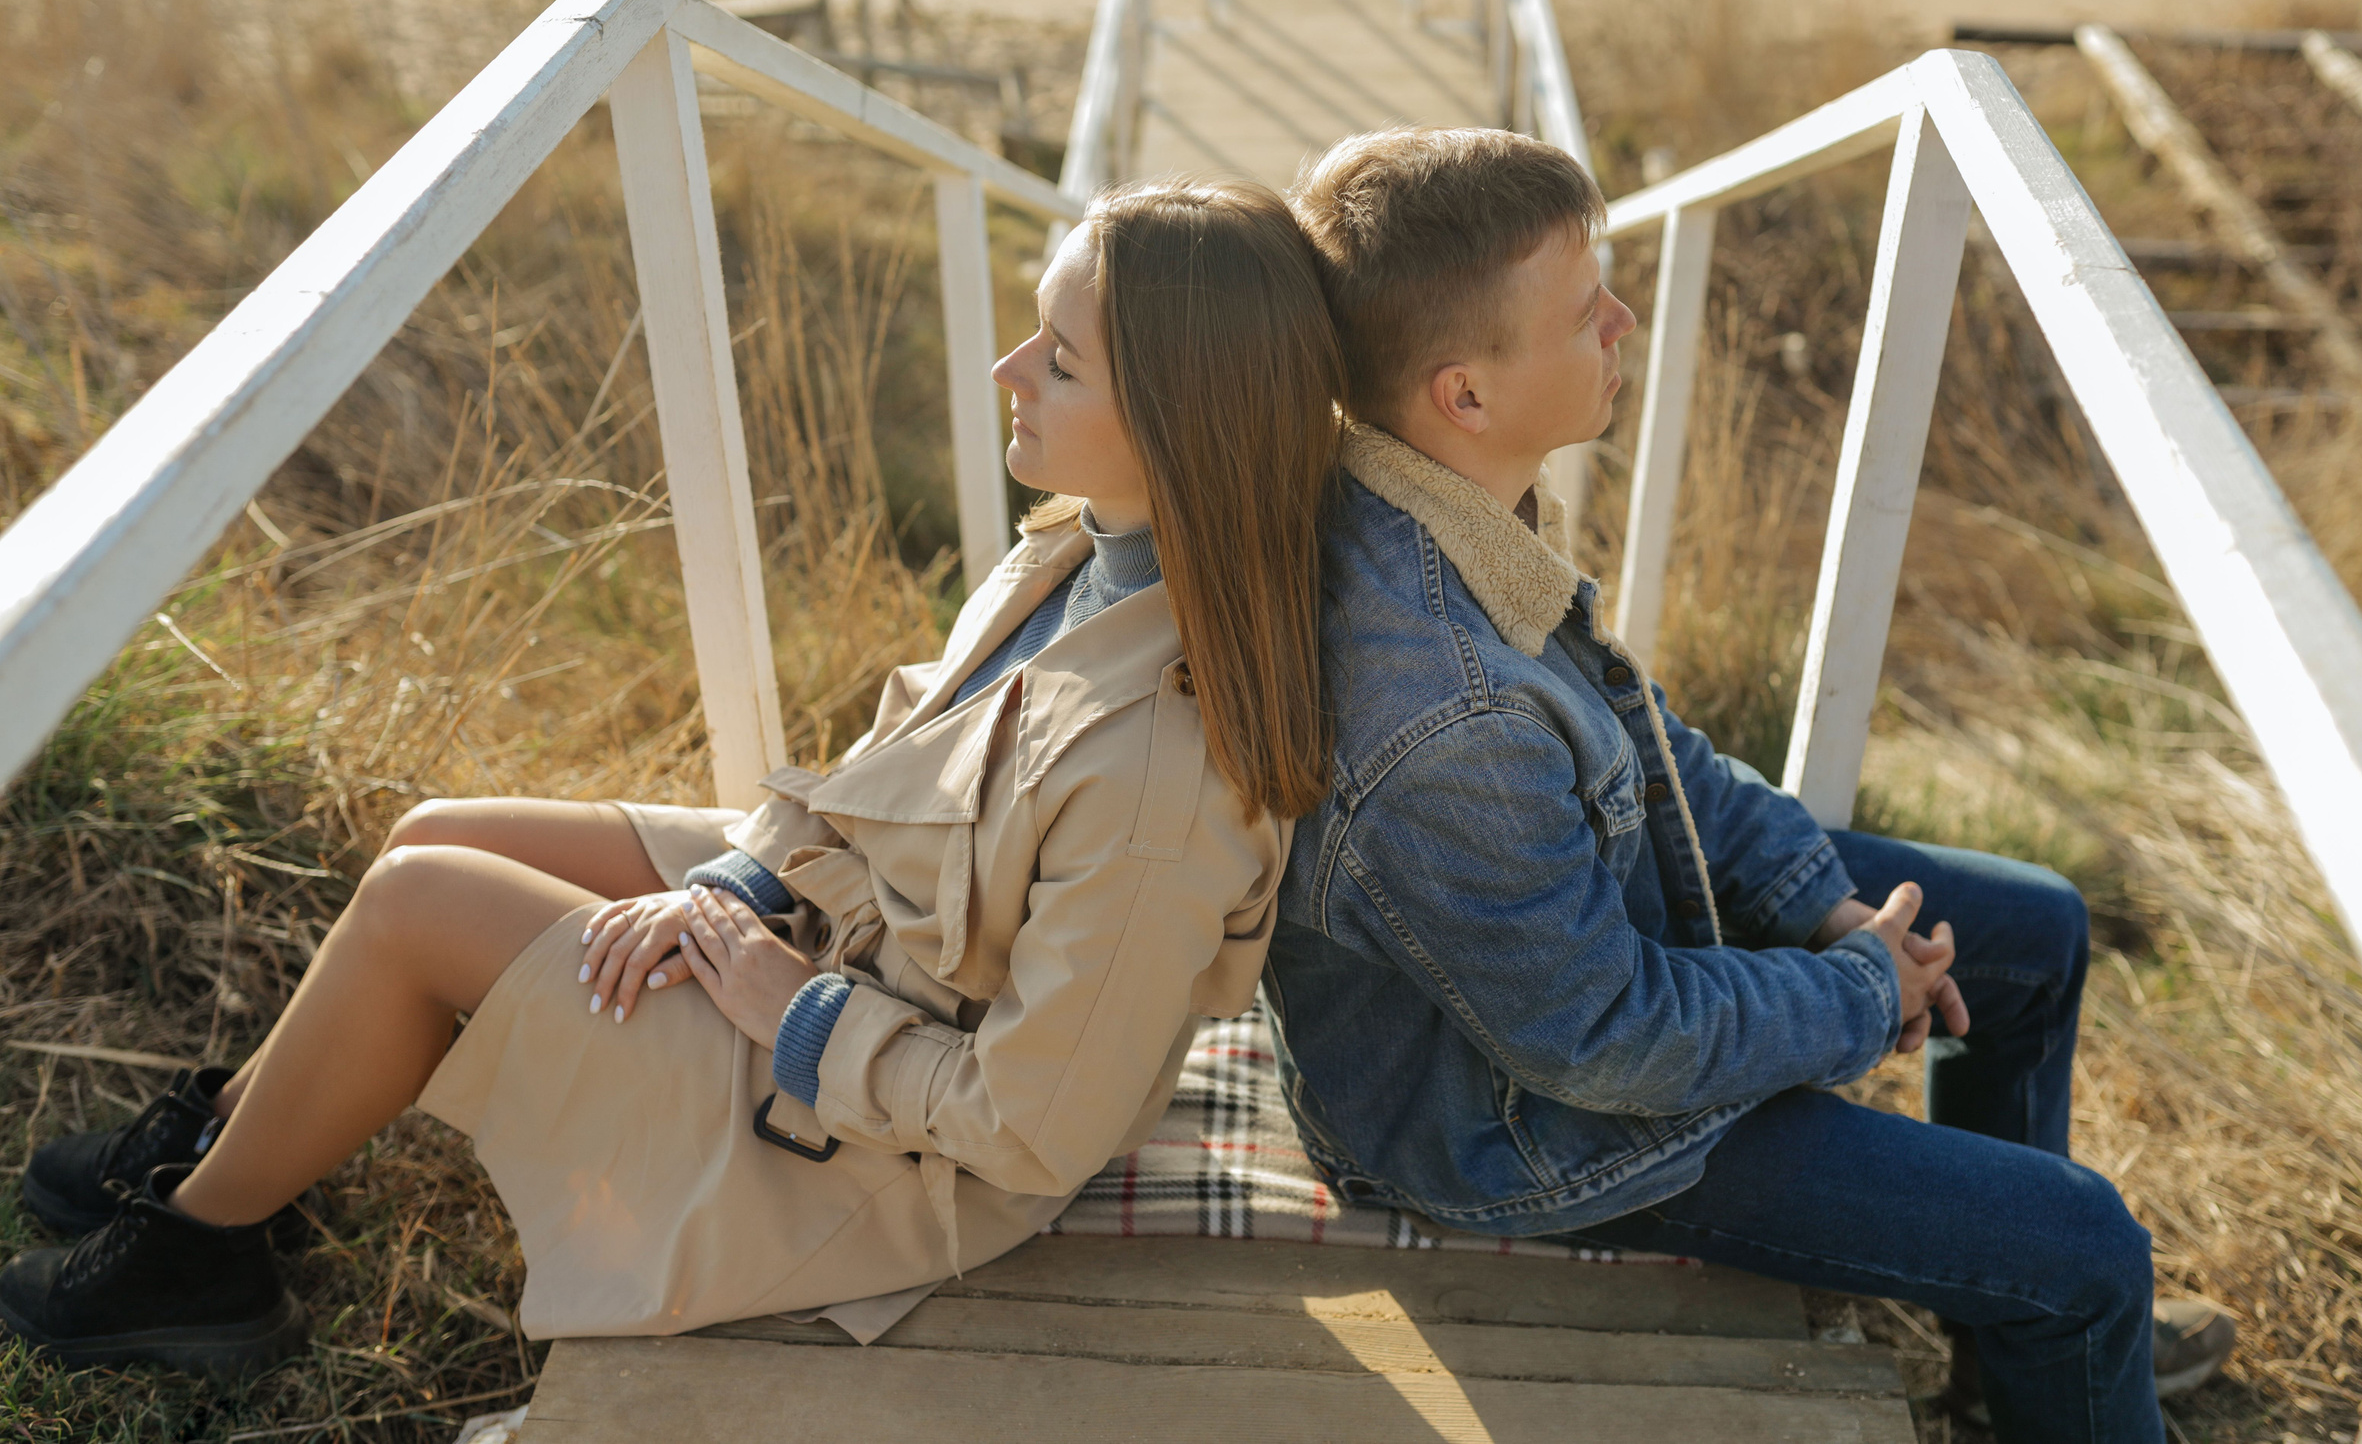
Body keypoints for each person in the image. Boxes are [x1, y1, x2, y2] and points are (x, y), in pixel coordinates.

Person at [0, 176, 1344, 1376]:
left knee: (421, 905)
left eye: (1058, 359)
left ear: (1178, 423)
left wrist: (787, 1004)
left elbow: (1032, 1129)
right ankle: (236, 1151)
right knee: (438, 831)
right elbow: (901, 793)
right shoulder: (1075, 556)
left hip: (892, 1144)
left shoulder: (1165, 772)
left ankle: (198, 1258)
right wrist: (736, 885)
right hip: (869, 936)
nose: (1005, 369)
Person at [1263, 127, 2234, 1443]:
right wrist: (1854, 992)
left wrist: (1824, 906)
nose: (1622, 320)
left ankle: (2030, 1351)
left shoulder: (1449, 506)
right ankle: (2058, 1310)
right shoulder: (1446, 714)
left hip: (1585, 984)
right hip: (1527, 1131)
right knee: (2088, 1244)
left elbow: (1660, 759)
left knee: (2037, 933)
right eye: (1581, 309)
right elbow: (1604, 1040)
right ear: (1465, 393)